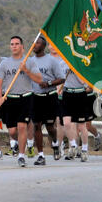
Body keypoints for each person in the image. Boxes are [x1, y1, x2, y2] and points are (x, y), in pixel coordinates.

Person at [0, 36, 42, 167]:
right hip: (10, 99)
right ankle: (18, 144)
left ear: (22, 46)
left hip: (26, 97)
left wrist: (26, 70)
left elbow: (39, 79)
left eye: (17, 44)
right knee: (12, 131)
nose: (14, 46)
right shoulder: (4, 63)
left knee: (22, 127)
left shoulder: (29, 61)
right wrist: (0, 97)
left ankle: (21, 156)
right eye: (12, 44)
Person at [30, 37, 66, 166]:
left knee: (50, 126)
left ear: (43, 46)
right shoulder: (29, 61)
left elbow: (62, 78)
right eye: (34, 43)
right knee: (36, 126)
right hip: (35, 97)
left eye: (38, 43)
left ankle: (55, 143)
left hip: (50, 96)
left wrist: (49, 83)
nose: (35, 45)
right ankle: (40, 155)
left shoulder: (52, 61)